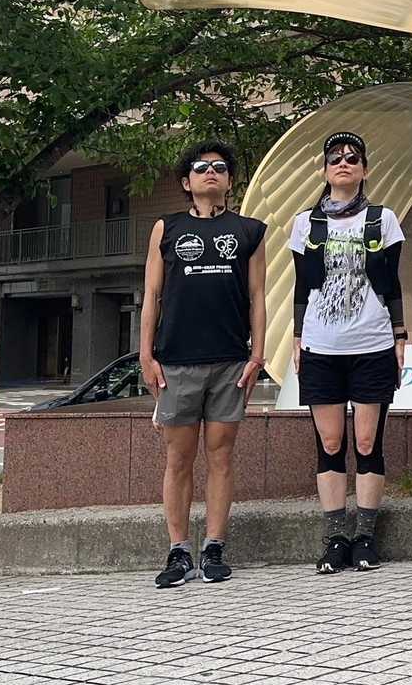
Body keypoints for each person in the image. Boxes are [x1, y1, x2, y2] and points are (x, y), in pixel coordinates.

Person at [140, 140, 267, 587]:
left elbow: (257, 296)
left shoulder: (249, 231)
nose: (209, 172)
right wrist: (146, 355)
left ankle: (214, 546)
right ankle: (178, 551)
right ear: (186, 181)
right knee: (178, 458)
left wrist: (257, 354)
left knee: (221, 456)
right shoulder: (167, 228)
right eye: (200, 167)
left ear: (230, 180)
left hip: (230, 362)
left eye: (219, 167)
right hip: (176, 361)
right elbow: (151, 294)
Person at [288, 132, 406, 575]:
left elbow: (392, 284)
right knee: (331, 442)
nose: (343, 163)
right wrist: (297, 336)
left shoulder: (382, 219)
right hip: (321, 344)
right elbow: (302, 286)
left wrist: (400, 335)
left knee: (368, 441)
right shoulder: (307, 223)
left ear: (364, 169)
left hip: (372, 342)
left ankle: (366, 536)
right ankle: (335, 537)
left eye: (353, 158)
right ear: (323, 170)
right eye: (335, 158)